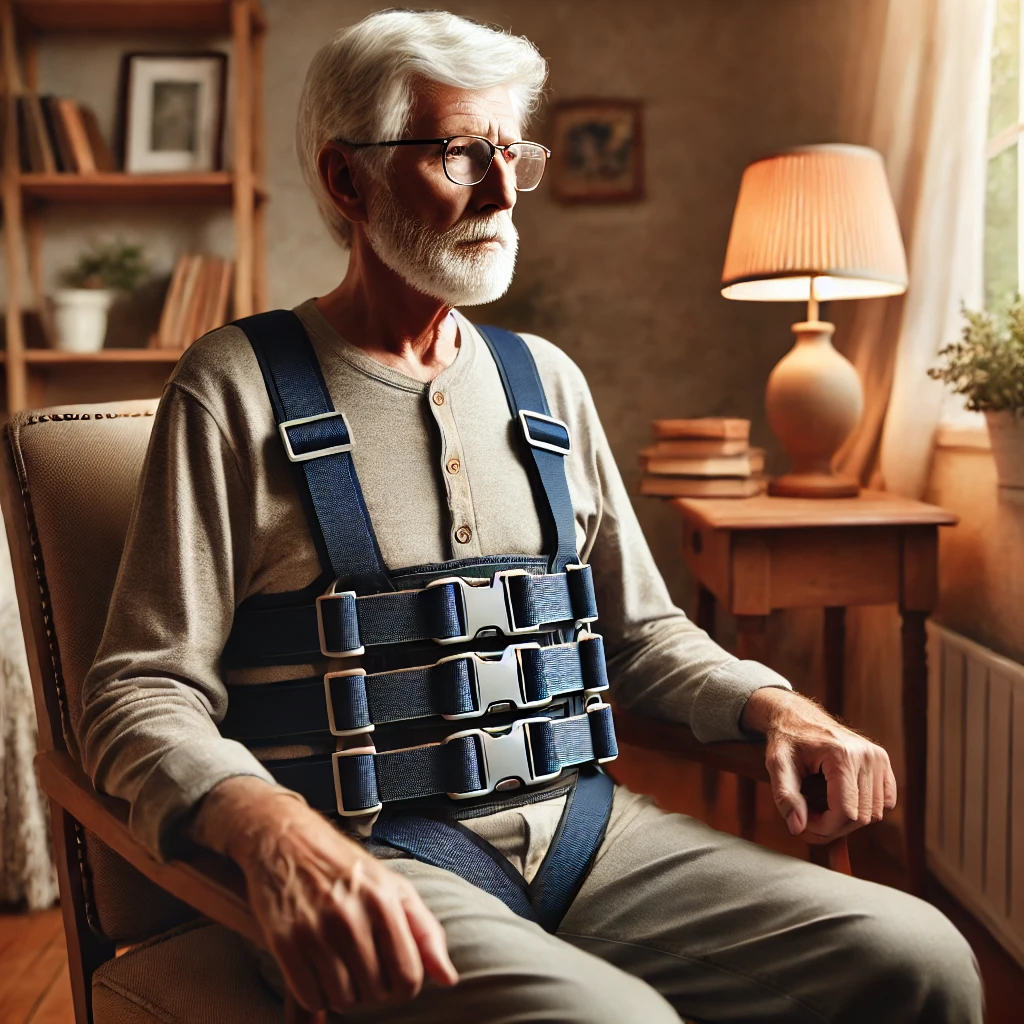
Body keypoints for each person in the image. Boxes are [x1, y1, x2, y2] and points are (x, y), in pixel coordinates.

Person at [80, 10, 982, 1022]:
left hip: (593, 837)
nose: (505, 194)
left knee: (920, 957)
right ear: (347, 180)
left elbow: (640, 634)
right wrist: (271, 829)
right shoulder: (234, 386)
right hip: (369, 857)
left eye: (513, 153)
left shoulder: (544, 381)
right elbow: (137, 691)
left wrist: (775, 703)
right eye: (462, 156)